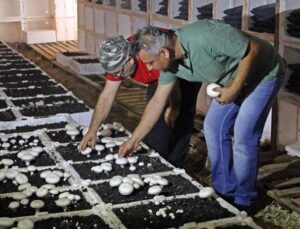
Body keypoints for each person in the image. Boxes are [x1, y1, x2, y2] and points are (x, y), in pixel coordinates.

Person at [118, 20, 286, 210]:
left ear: (164, 52)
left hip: (263, 75)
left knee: (243, 135)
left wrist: (234, 89)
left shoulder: (205, 36)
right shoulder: (169, 63)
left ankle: (244, 199)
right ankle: (225, 191)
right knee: (213, 127)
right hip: (232, 79)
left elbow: (252, 49)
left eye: (150, 63)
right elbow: (157, 102)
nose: (149, 69)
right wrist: (134, 140)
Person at [78, 35, 201, 167]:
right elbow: (106, 96)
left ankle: (176, 165)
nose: (117, 77)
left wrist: (175, 106)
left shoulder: (152, 55)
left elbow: (169, 89)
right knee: (157, 126)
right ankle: (160, 162)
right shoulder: (117, 61)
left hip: (183, 72)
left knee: (181, 118)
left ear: (130, 60)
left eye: (119, 73)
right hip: (158, 79)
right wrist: (93, 130)